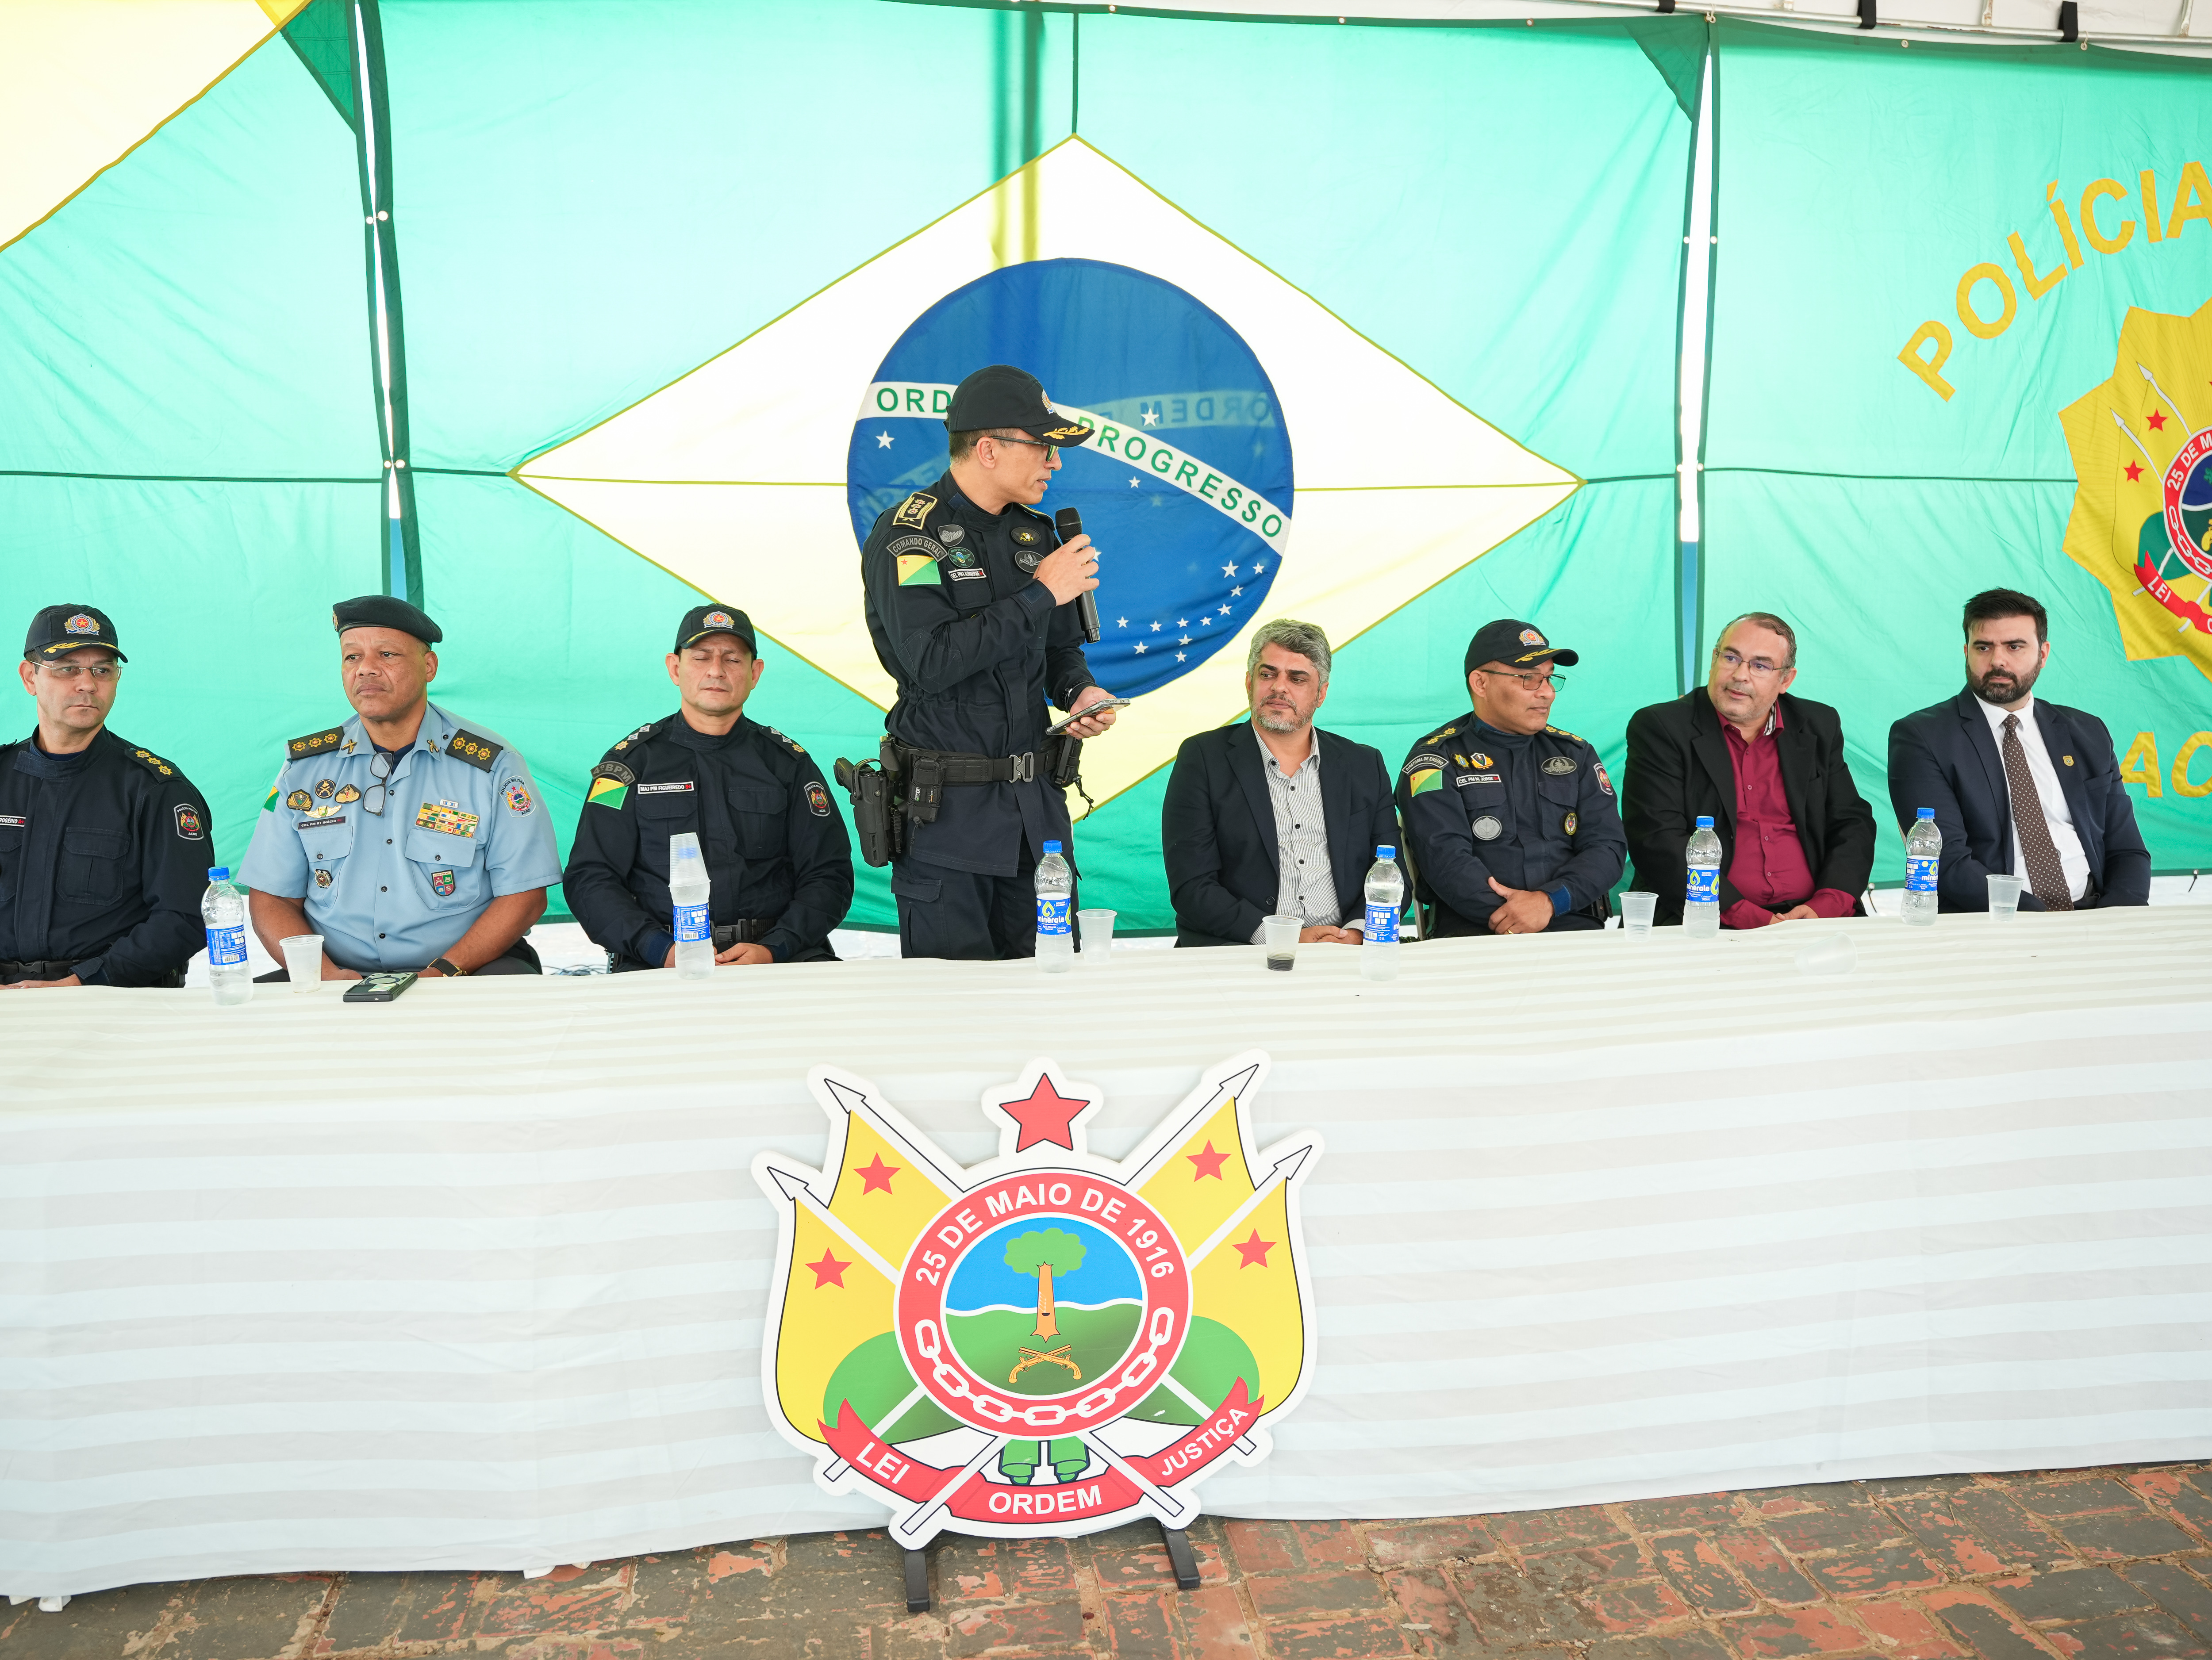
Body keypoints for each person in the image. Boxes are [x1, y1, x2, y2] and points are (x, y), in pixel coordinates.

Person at [860, 363, 1121, 960]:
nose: (1055, 463)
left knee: (1052, 1002)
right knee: (955, 1023)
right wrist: (1039, 594)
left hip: (1038, 824)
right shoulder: (910, 538)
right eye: (1043, 446)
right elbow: (932, 659)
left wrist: (1079, 692)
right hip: (949, 824)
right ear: (987, 449)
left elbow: (1057, 649)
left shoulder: (1034, 538)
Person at [241, 596, 562, 978]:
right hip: (336, 973)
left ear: (429, 666)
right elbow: (272, 896)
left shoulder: (492, 766)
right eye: (352, 657)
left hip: (464, 969)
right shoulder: (304, 770)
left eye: (387, 655)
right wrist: (324, 975)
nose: (366, 670)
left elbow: (525, 895)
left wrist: (443, 971)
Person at [564, 605, 853, 969]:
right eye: (701, 657)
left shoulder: (789, 765)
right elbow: (590, 878)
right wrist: (660, 950)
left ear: (755, 673)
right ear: (675, 668)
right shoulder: (628, 766)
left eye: (732, 659)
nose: (716, 671)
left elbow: (830, 874)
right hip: (659, 957)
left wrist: (775, 948)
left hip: (778, 955)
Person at [1886, 587, 2149, 911]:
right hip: (1996, 924)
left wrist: (2118, 918)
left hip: (2095, 915)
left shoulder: (2088, 732)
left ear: (2044, 653)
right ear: (1966, 651)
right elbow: (1949, 863)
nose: (1998, 660)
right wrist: (2043, 922)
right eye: (1984, 647)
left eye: (2015, 646)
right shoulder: (1922, 737)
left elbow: (2126, 850)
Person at [0, 605, 213, 988]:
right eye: (67, 668)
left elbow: (186, 917)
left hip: (114, 1001)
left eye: (102, 669)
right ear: (30, 677)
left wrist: (82, 983)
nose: (87, 683)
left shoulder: (157, 789)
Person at [1622, 611, 1875, 928]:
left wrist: (1827, 903)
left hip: (1814, 918)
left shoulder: (1817, 725)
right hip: (1706, 918)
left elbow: (1852, 822)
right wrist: (1751, 918)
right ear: (1714, 659)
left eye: (1760, 665)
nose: (1741, 675)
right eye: (1731, 657)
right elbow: (1657, 839)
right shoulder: (1662, 728)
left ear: (1786, 680)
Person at [1160, 619, 1398, 948]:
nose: (1279, 687)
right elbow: (1192, 886)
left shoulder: (1363, 765)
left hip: (1343, 949)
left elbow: (1391, 869)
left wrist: (1356, 934)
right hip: (1239, 951)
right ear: (1249, 682)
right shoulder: (1202, 758)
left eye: (1297, 678)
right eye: (1267, 674)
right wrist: (1285, 939)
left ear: (1321, 694)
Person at [1394, 618, 1625, 936]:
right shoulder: (1434, 760)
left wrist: (1548, 902)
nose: (1547, 694)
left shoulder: (1576, 754)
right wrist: (1517, 915)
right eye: (1530, 678)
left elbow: (1608, 847)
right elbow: (1445, 860)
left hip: (1571, 923)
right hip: (1475, 932)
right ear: (1481, 683)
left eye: (1549, 678)